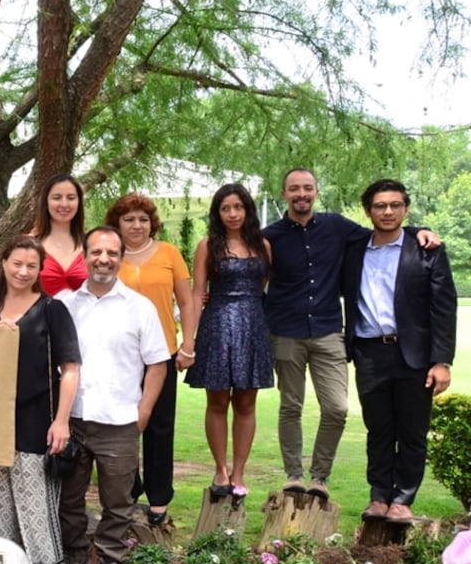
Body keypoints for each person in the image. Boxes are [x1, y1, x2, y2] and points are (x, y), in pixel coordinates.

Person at [265, 168, 438, 499]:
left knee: (337, 408)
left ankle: (320, 476)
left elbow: (384, 229)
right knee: (290, 406)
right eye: (294, 189)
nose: (301, 194)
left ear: (316, 191)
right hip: (285, 332)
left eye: (307, 188)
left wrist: (419, 231)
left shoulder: (336, 226)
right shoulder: (269, 236)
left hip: (329, 331)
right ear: (284, 193)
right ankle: (294, 475)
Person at [0, 235, 80, 564]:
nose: (23, 271)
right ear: (3, 262)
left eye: (32, 266)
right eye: (17, 263)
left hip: (35, 418)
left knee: (34, 503)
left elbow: (70, 368)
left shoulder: (51, 310)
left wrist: (61, 420)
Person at [58, 226, 168, 564]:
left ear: (121, 258)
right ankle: (74, 553)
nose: (103, 259)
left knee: (118, 501)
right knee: (68, 497)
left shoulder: (140, 308)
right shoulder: (65, 305)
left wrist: (143, 413)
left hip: (120, 421)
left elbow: (157, 364)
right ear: (84, 257)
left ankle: (110, 561)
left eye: (111, 253)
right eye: (96, 252)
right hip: (73, 420)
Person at [342, 179, 456, 523]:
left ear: (405, 209)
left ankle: (403, 499)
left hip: (415, 355)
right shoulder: (353, 249)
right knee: (378, 429)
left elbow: (443, 307)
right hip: (369, 353)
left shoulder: (426, 250)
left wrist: (442, 361)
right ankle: (379, 497)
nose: (388, 211)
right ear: (368, 211)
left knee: (412, 431)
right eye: (380, 206)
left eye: (395, 205)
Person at [105, 192, 197, 526]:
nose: (137, 225)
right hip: (120, 355)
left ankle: (159, 497)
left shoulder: (169, 253)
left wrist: (188, 344)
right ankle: (128, 489)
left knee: (159, 425)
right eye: (129, 219)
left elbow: (186, 302)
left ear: (152, 223)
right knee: (121, 424)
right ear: (117, 223)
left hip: (162, 352)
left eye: (143, 219)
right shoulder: (109, 255)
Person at [185, 184, 273, 498]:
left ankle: (239, 472)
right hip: (217, 326)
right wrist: (188, 342)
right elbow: (197, 293)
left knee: (247, 403)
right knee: (218, 401)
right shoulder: (207, 246)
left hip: (253, 327)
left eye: (238, 207)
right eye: (225, 208)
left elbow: (262, 287)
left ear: (247, 209)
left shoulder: (263, 245)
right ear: (217, 213)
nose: (233, 214)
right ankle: (220, 469)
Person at [31, 174, 87, 296]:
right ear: (46, 201)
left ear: (79, 202)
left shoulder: (92, 244)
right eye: (57, 198)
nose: (64, 204)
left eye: (71, 198)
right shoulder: (29, 244)